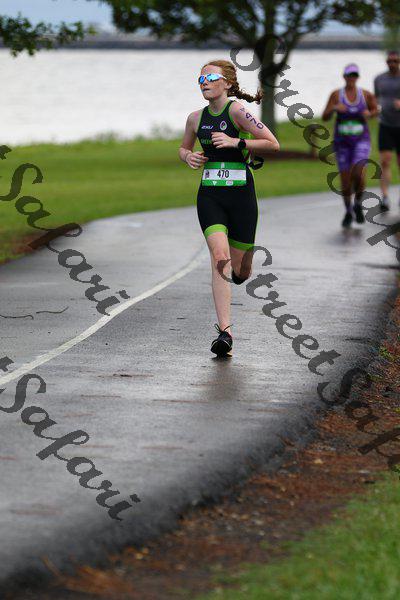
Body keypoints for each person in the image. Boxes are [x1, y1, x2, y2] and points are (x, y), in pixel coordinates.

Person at [178, 59, 279, 356]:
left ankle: (243, 270)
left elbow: (272, 143)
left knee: (240, 270)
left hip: (241, 198)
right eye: (201, 79)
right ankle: (225, 332)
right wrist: (188, 157)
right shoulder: (195, 119)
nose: (205, 83)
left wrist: (237, 142)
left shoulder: (237, 112)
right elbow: (183, 147)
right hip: (210, 197)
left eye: (210, 78)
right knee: (219, 257)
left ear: (228, 83)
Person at [322, 63, 378, 228]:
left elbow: (376, 109)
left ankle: (358, 203)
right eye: (349, 75)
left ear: (357, 77)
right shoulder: (336, 95)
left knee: (359, 172)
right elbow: (325, 116)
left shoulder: (365, 94)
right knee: (345, 180)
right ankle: (348, 211)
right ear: (344, 76)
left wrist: (370, 113)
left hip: (361, 140)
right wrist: (334, 108)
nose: (351, 78)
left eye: (354, 75)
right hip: (342, 143)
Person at [374, 50, 400, 211]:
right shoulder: (379, 79)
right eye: (389, 61)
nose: (392, 64)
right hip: (385, 125)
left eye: (395, 61)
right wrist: (375, 108)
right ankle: (384, 197)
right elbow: (376, 98)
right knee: (385, 161)